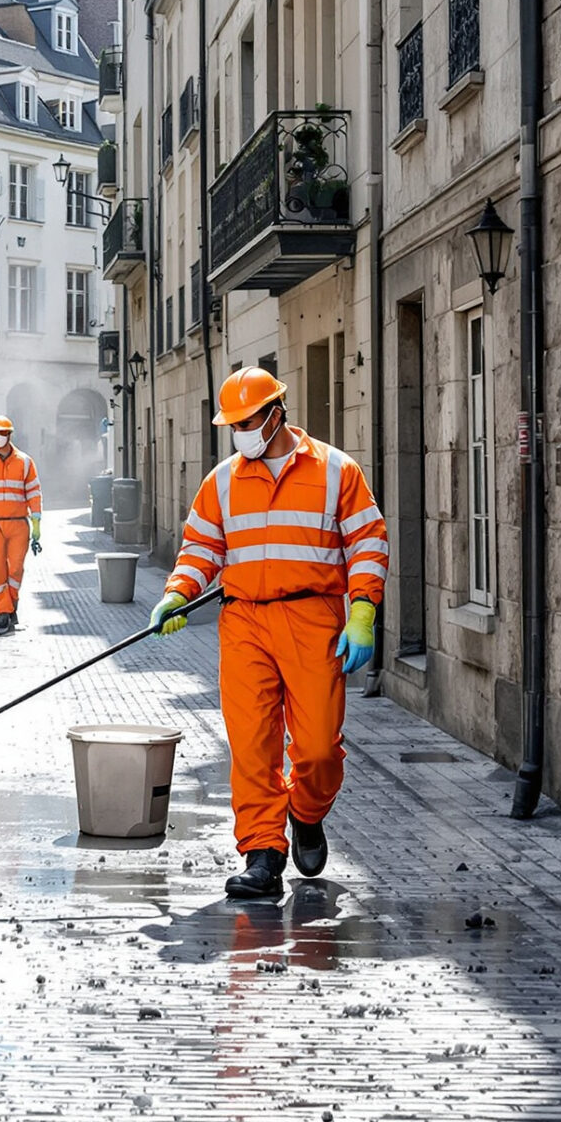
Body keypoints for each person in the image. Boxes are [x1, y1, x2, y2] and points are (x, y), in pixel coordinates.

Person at [146, 368, 386, 900]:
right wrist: (178, 594)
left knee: (320, 748)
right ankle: (262, 853)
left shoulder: (335, 471)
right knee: (252, 746)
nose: (240, 431)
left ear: (277, 412)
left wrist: (363, 611)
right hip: (245, 622)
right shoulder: (223, 480)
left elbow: (368, 541)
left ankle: (306, 812)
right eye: (232, 424)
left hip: (313, 619)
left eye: (247, 420)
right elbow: (200, 549)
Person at [0, 415, 42, 632]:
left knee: (16, 568)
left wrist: (37, 520)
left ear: (10, 435)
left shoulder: (25, 462)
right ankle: (3, 612)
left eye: (3, 433)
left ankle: (11, 603)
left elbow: (34, 492)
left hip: (19, 523)